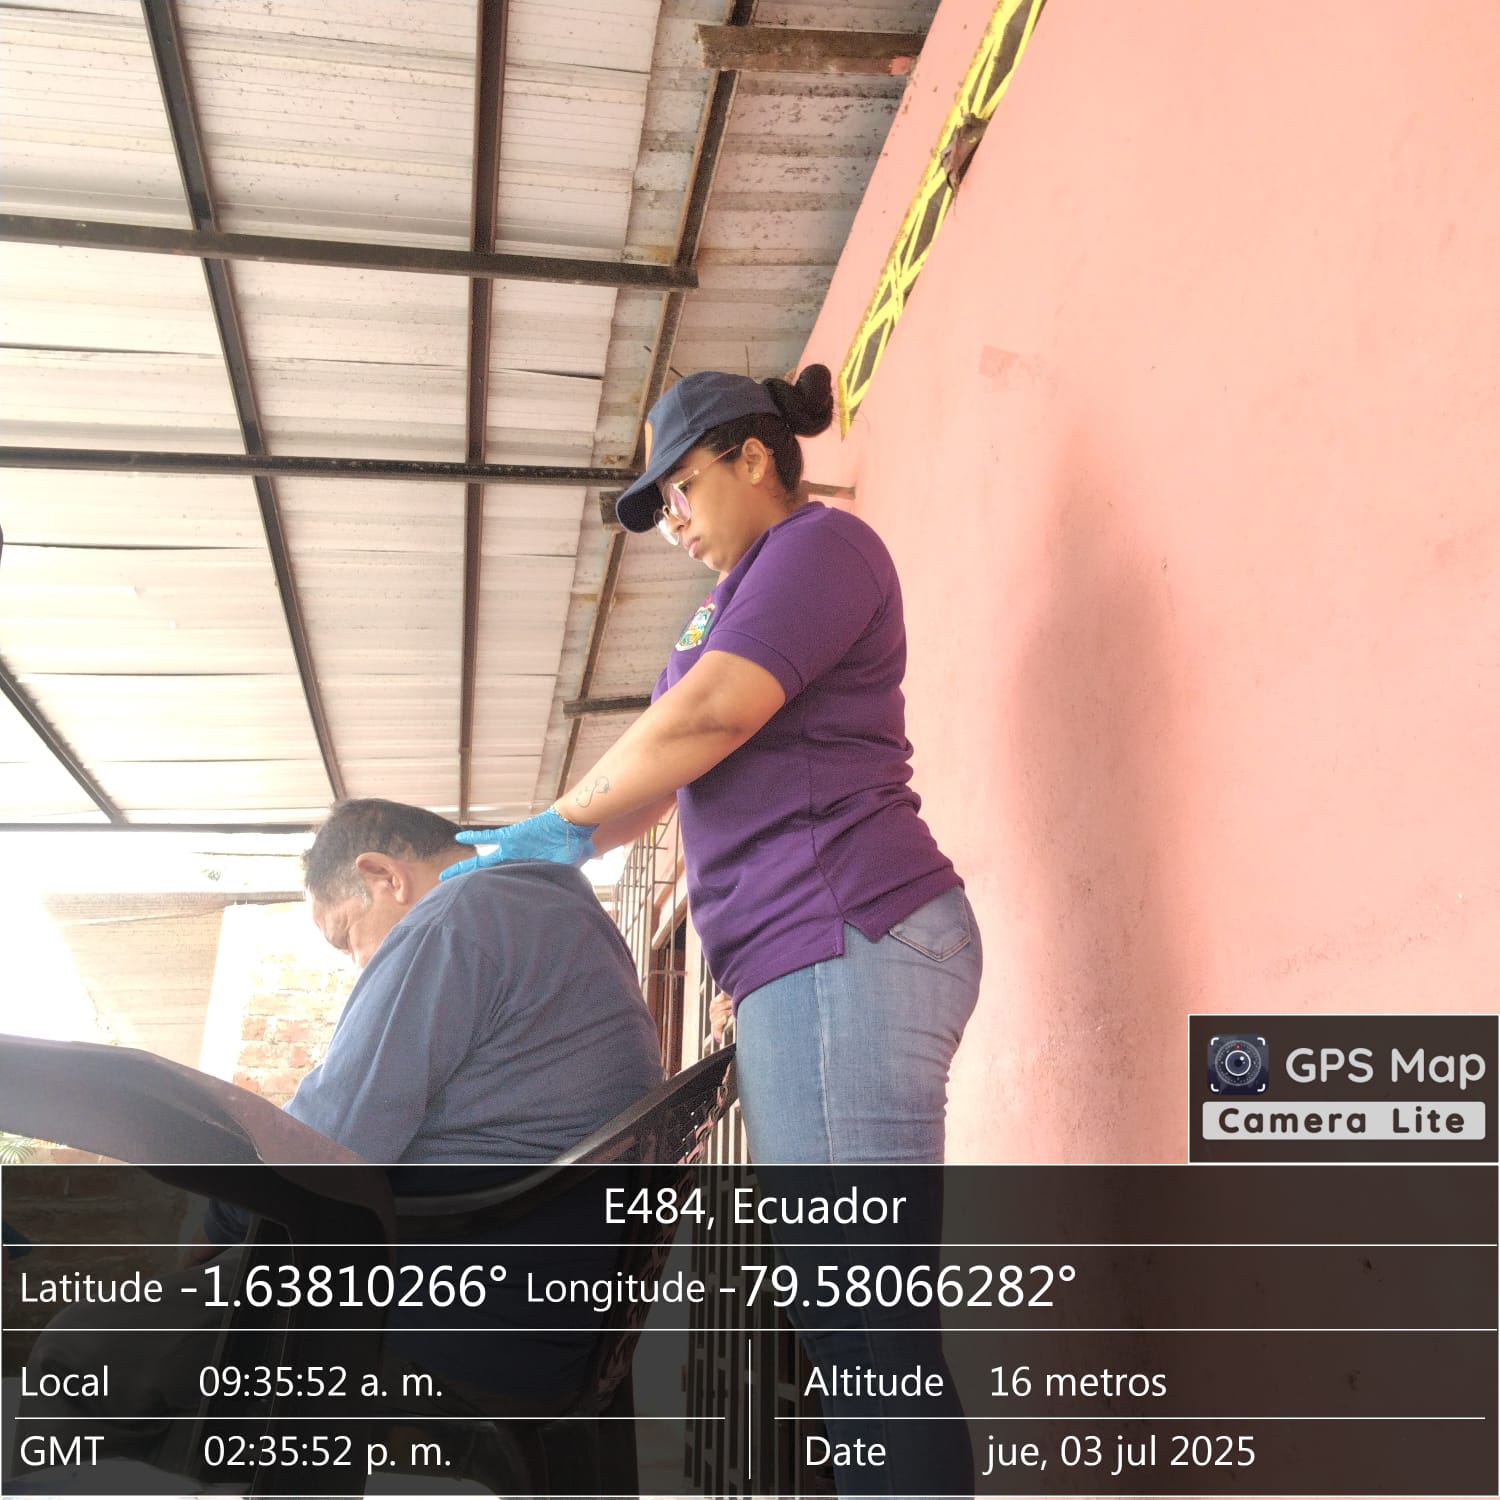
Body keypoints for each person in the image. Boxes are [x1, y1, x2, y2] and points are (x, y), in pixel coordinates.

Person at [446, 366, 982, 1497]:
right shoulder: (724, 607)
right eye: (660, 508)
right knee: (847, 1324)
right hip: (809, 959)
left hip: (840, 929)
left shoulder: (817, 548)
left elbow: (710, 716)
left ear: (754, 457)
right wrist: (554, 846)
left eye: (682, 488)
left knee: (867, 1324)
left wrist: (562, 819)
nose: (675, 521)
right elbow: (663, 774)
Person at [17, 799, 665, 1456]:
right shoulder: (563, 910)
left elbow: (324, 1150)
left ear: (384, 876)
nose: (359, 965)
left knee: (82, 1350)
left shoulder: (457, 917)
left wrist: (217, 1225)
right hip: (545, 1315)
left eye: (348, 937)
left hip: (452, 1316)